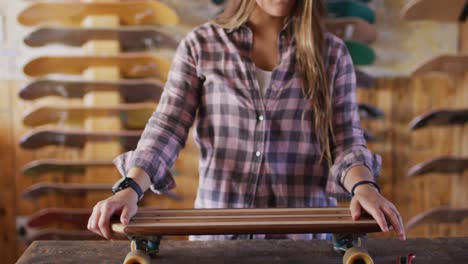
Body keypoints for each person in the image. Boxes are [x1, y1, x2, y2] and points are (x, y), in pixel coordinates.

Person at [88, 0, 405, 241]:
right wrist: (129, 188)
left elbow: (346, 141)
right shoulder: (202, 45)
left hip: (303, 241)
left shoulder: (331, 53)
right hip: (218, 240)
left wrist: (365, 187)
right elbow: (167, 129)